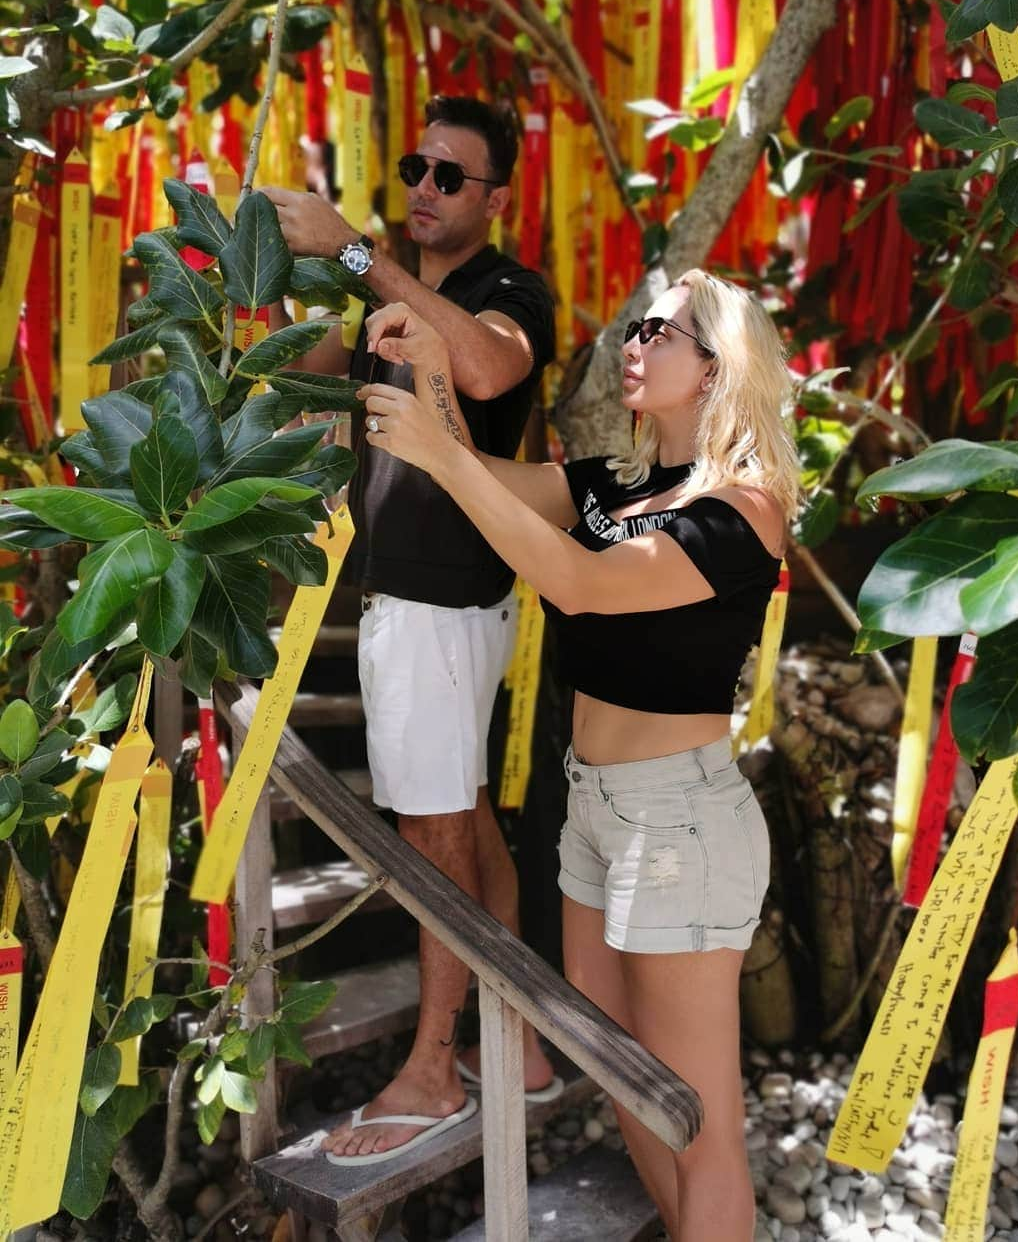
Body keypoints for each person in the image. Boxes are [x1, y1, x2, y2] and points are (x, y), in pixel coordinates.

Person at [352, 270, 801, 1241]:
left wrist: (444, 444)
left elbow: (579, 584)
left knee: (699, 1117)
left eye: (660, 334)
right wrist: (433, 370)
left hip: (679, 822)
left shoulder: (742, 507)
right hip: (595, 809)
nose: (631, 346)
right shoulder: (612, 483)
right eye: (633, 329)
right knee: (621, 1074)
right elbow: (476, 480)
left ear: (721, 367)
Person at [262, 96, 558, 1163]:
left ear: (494, 198)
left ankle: (433, 1071)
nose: (424, 189)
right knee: (465, 824)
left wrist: (354, 253)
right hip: (410, 602)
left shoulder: (505, 292)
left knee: (434, 844)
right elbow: (308, 384)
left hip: (445, 602)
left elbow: (483, 370)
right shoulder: (394, 297)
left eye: (449, 177)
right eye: (414, 168)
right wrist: (249, 292)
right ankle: (515, 1046)